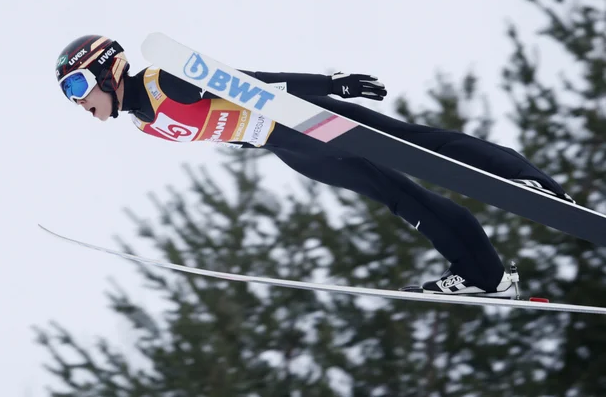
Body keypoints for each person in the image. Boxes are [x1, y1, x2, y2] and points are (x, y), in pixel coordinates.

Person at [55, 34, 574, 296]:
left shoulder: (159, 83)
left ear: (107, 67)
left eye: (77, 86)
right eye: (68, 95)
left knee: (421, 144)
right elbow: (221, 121)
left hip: (305, 120)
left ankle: (532, 183)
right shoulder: (143, 121)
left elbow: (250, 81)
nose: (79, 102)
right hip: (287, 147)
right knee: (400, 196)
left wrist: (332, 85)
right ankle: (484, 274)